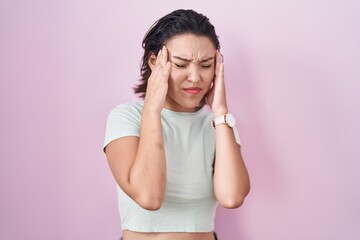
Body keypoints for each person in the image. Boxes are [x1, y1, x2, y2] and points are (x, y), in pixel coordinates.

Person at [103, 9, 250, 240]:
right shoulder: (126, 118)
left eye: (206, 64)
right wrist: (152, 107)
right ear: (154, 62)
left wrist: (221, 113)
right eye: (181, 65)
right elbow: (149, 196)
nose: (195, 77)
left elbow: (232, 197)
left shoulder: (220, 125)